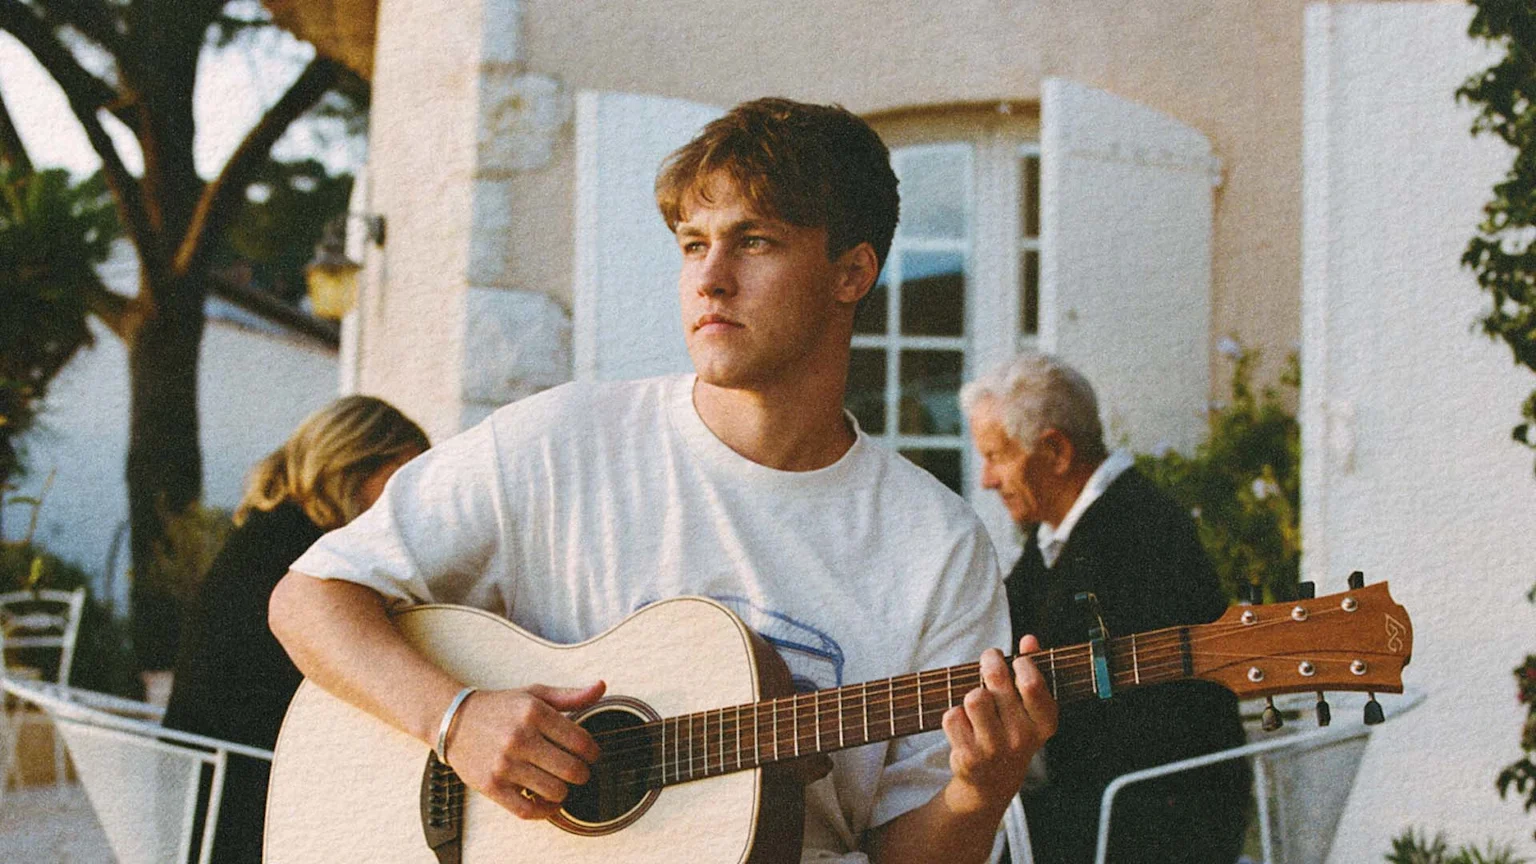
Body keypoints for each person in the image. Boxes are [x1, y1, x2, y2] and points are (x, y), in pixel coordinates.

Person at [269, 97, 1057, 864]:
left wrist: (978, 796)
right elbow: (308, 600)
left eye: (754, 242)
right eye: (692, 243)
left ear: (851, 272)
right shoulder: (561, 442)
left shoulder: (937, 547)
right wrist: (457, 720)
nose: (710, 279)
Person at [960, 353, 1251, 864]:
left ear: (1055, 451)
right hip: (1104, 802)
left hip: (1152, 824)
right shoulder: (1061, 533)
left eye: (997, 456)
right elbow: (998, 621)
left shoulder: (1136, 533)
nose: (986, 479)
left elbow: (1135, 727)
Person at [162, 395, 429, 863]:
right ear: (354, 467)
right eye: (405, 477)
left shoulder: (266, 535)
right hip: (255, 807)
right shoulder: (313, 562)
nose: (414, 497)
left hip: (208, 797)